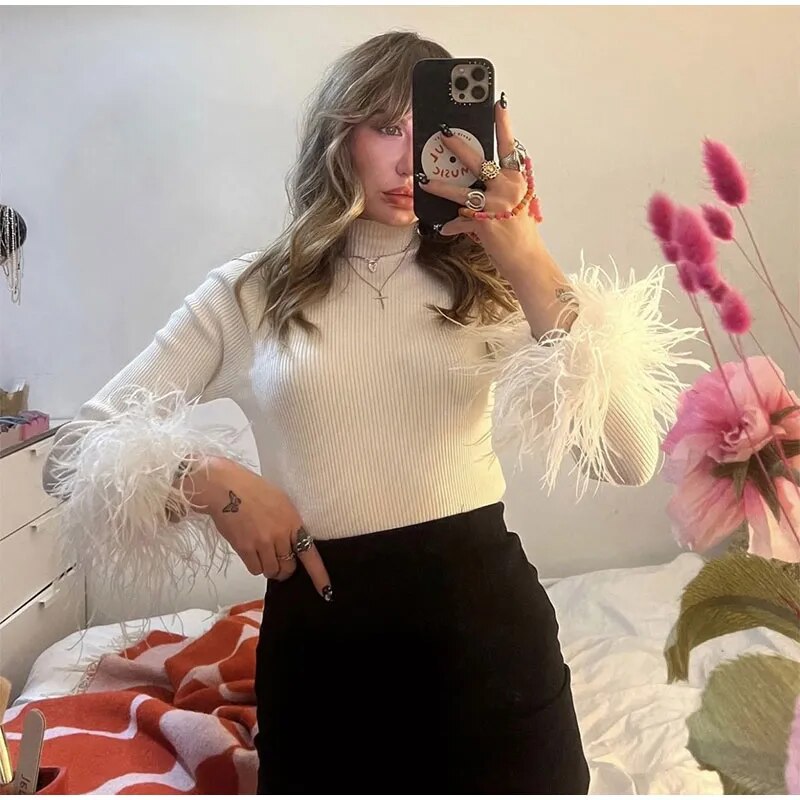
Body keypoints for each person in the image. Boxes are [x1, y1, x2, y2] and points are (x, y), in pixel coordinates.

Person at [43, 30, 700, 794]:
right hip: (322, 658)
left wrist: (524, 252)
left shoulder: (494, 284)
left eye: (438, 134)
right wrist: (209, 478)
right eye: (388, 127)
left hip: (491, 652)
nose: (412, 157)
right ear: (339, 135)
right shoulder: (249, 294)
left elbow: (628, 457)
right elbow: (69, 455)